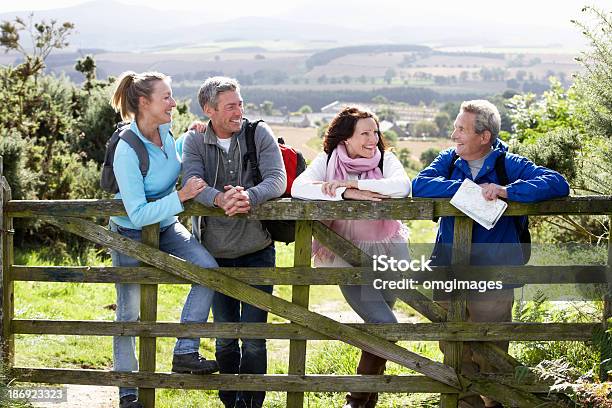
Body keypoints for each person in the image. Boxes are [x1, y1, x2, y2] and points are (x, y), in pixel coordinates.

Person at [412, 99, 570, 408]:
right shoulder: (449, 159)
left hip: (493, 271)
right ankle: (465, 403)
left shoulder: (507, 163)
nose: (453, 134)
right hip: (447, 266)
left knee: (492, 344)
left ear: (484, 137)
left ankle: (493, 402)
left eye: (461, 129)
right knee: (452, 343)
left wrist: (506, 191)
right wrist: (468, 190)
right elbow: (420, 185)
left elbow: (556, 182)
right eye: (455, 127)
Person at [108, 71, 220, 408]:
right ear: (145, 102)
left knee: (207, 271)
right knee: (128, 313)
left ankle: (185, 351)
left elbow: (172, 164)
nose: (174, 102)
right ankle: (128, 393)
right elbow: (139, 213)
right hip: (129, 232)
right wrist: (183, 196)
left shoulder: (166, 133)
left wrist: (191, 137)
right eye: (167, 97)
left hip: (167, 225)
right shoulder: (126, 149)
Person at [291, 106, 411, 408]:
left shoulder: (385, 159)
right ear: (345, 138)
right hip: (348, 256)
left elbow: (401, 187)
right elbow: (299, 188)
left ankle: (364, 401)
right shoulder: (328, 160)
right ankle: (357, 399)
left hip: (390, 250)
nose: (373, 139)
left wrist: (354, 184)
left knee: (379, 327)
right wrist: (344, 194)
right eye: (365, 133)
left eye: (375, 132)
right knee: (384, 325)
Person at [180, 76, 286, 408]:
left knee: (254, 339)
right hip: (214, 255)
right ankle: (231, 402)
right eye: (230, 106)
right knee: (225, 340)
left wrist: (247, 197)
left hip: (257, 251)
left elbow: (277, 179)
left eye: (240, 103)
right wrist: (218, 200)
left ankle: (251, 404)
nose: (238, 111)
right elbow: (190, 180)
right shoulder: (195, 139)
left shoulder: (259, 132)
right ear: (208, 110)